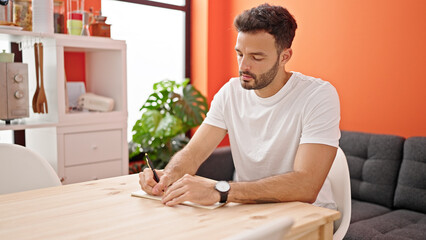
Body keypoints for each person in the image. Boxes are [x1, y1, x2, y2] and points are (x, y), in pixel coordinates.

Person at [139, 3, 340, 209]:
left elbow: (307, 186)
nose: (244, 66)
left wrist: (219, 191)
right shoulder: (230, 92)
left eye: (256, 57)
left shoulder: (317, 95)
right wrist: (168, 175)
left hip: (310, 214)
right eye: (240, 54)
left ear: (284, 57)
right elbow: (194, 152)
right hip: (248, 207)